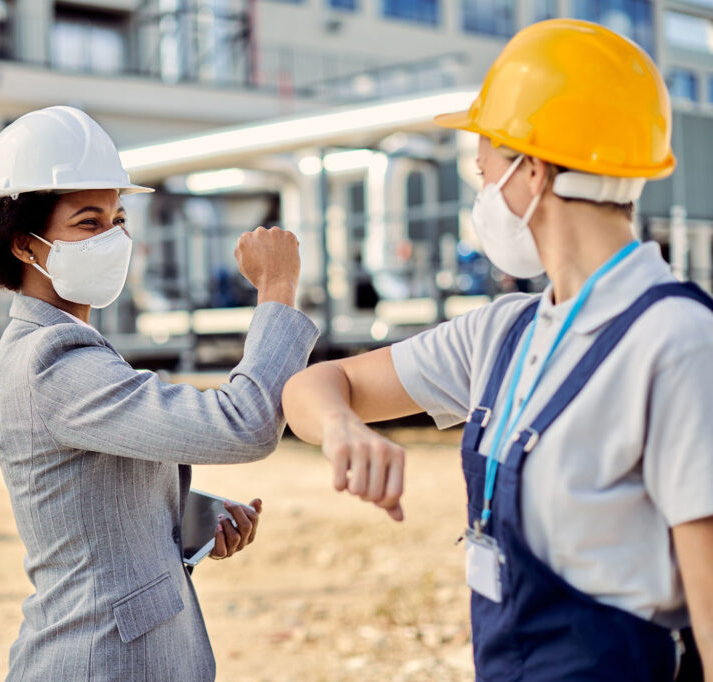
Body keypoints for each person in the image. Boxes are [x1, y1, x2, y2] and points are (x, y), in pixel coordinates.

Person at [283, 19, 711, 681]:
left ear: (531, 172)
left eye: (484, 165)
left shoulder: (677, 343)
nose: (480, 185)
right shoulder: (503, 333)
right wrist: (343, 429)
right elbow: (314, 386)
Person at [0, 106, 318, 681]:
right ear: (21, 245)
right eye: (88, 223)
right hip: (95, 660)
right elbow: (244, 423)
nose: (114, 238)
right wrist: (277, 288)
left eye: (118, 218)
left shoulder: (65, 342)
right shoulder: (52, 360)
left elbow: (87, 503)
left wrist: (191, 516)